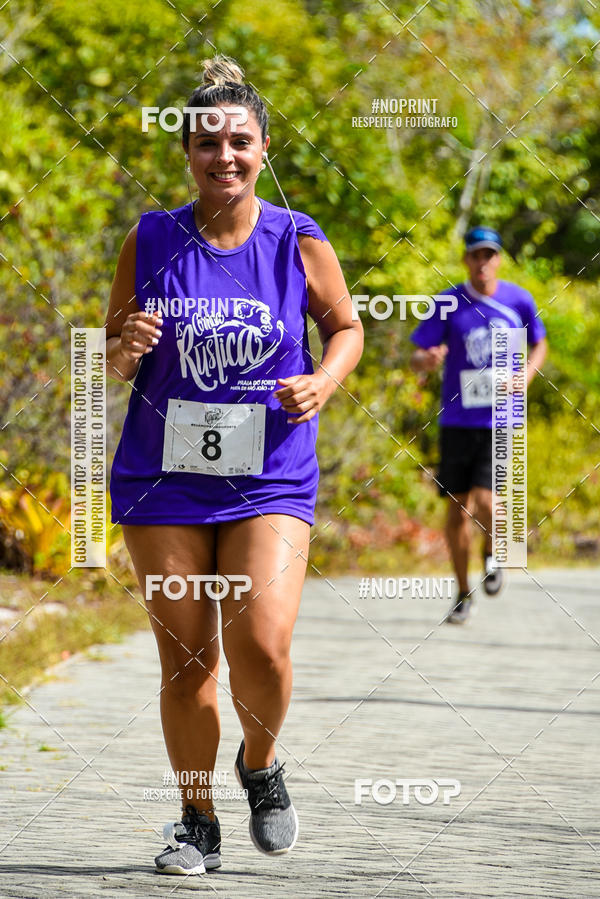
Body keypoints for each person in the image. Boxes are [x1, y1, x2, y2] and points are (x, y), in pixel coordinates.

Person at [104, 55, 363, 875]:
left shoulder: (299, 238)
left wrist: (323, 379)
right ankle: (196, 818)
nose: (225, 156)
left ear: (264, 148)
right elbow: (108, 351)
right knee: (187, 663)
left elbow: (347, 327)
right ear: (186, 151)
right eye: (209, 142)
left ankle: (260, 762)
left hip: (270, 474)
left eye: (240, 141)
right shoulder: (150, 237)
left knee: (264, 645)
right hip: (162, 477)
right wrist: (122, 347)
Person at [410, 226, 547, 624]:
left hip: (500, 417)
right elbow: (417, 356)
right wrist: (427, 361)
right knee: (456, 510)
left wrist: (527, 375)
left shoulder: (518, 300)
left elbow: (540, 342)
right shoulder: (449, 303)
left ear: (499, 259)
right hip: (457, 418)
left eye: (489, 255)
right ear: (466, 259)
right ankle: (461, 592)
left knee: (486, 501)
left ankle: (493, 552)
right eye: (475, 255)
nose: (482, 262)